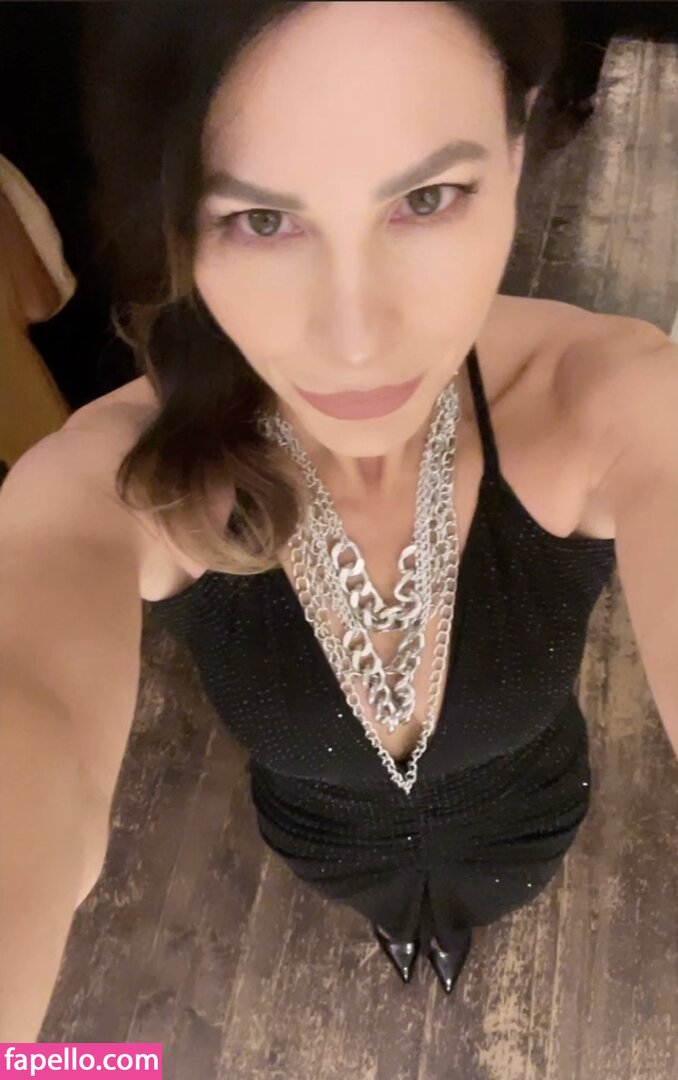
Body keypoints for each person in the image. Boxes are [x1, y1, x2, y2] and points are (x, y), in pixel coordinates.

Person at [3, 0, 666, 1040]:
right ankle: (400, 929)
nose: (357, 343)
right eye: (262, 221)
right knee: (389, 918)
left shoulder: (612, 403)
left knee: (486, 901)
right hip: (328, 846)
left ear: (514, 144)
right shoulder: (114, 479)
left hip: (523, 825)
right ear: (180, 219)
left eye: (427, 198)